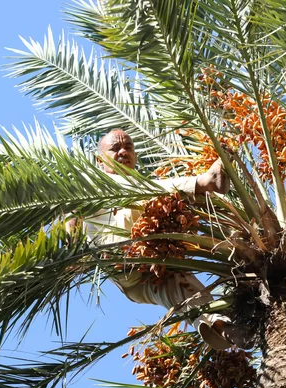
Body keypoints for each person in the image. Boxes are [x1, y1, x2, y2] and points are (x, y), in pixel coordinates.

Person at [71, 128, 236, 349]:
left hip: (143, 277)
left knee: (182, 284)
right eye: (115, 148)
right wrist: (72, 244)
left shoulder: (137, 184)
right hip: (114, 251)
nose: (123, 152)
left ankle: (217, 324)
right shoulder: (92, 183)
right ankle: (205, 182)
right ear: (100, 160)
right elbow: (71, 219)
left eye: (128, 147)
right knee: (147, 193)